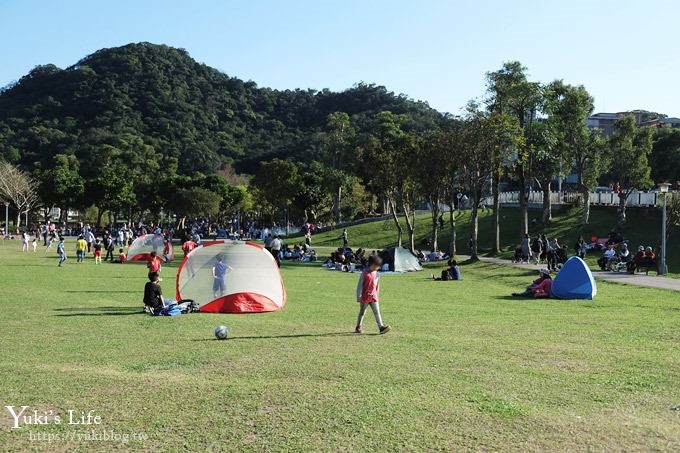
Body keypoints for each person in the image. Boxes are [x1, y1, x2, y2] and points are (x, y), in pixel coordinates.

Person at [355, 255, 391, 334]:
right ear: (371, 264)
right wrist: (359, 296)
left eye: (378, 266)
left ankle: (381, 327)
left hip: (374, 297)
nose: (377, 268)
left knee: (377, 312)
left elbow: (377, 286)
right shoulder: (364, 273)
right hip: (364, 297)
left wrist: (377, 296)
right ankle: (358, 326)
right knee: (362, 312)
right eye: (376, 266)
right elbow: (360, 285)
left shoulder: (377, 274)